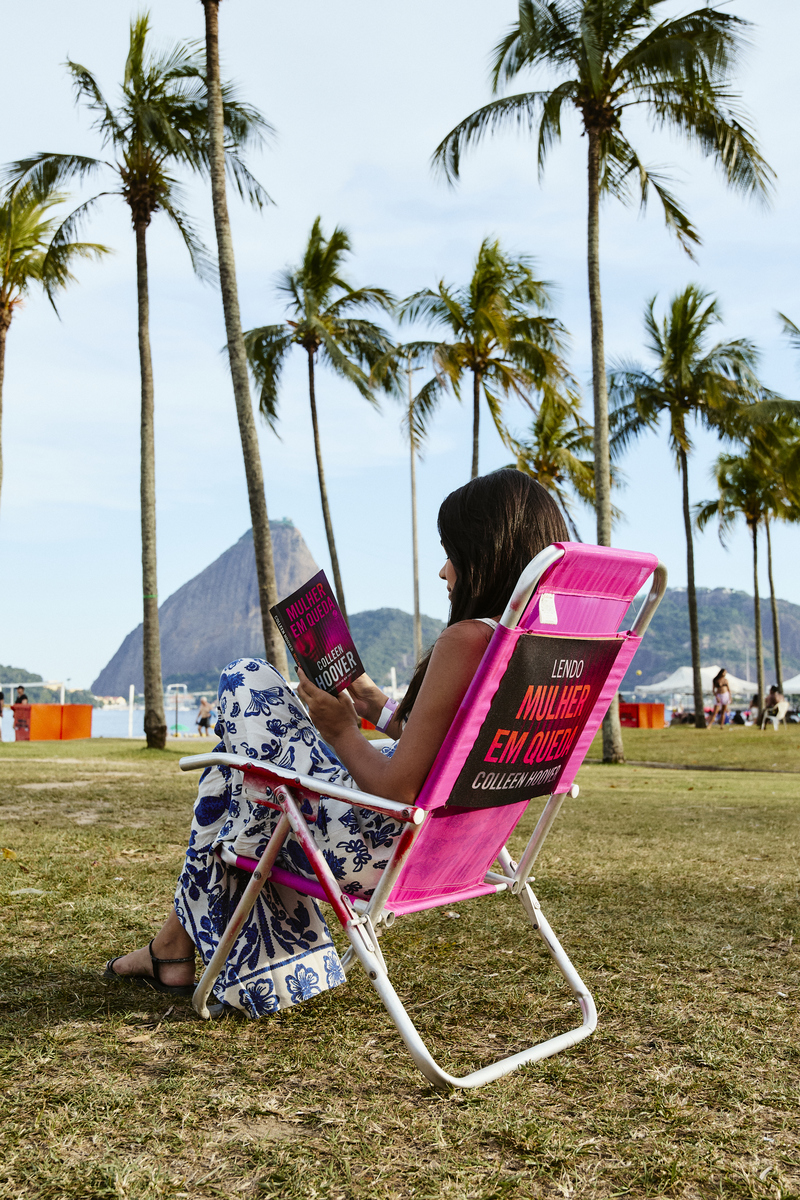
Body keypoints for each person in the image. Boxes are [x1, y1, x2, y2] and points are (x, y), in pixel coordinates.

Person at [104, 469, 569, 1016]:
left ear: (490, 554)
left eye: (453, 555)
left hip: (377, 851)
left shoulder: (469, 640)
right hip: (462, 845)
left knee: (245, 682)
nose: (444, 571)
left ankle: (179, 952)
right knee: (239, 776)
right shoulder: (546, 647)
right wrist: (372, 703)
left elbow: (396, 789)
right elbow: (449, 752)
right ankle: (172, 949)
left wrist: (341, 728)